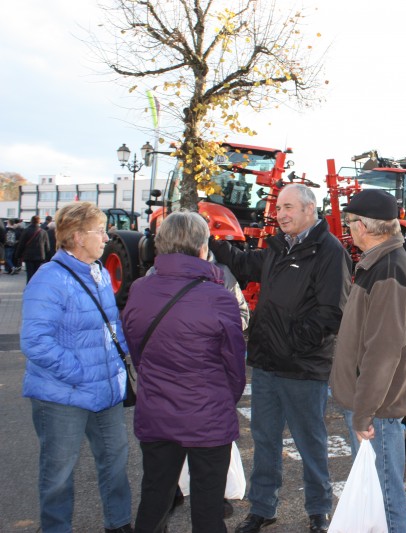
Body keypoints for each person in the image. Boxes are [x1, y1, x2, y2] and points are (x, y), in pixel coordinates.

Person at [210, 183, 351, 533]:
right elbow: (244, 263)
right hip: (268, 364)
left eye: (288, 207)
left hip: (303, 367)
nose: (281, 214)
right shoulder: (278, 247)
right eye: (279, 208)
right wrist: (212, 242)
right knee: (265, 440)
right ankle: (262, 508)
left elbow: (331, 312)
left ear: (309, 209)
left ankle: (319, 510)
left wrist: (291, 344)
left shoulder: (329, 251)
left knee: (310, 442)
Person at [122, 210, 247, 533]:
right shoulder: (218, 297)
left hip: (157, 409)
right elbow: (235, 366)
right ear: (202, 247)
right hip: (208, 413)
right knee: (208, 509)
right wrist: (223, 399)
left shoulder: (139, 289)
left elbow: (136, 349)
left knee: (154, 497)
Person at [20, 202, 132, 533]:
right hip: (63, 393)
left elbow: (112, 324)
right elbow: (35, 341)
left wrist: (121, 356)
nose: (106, 237)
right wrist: (79, 373)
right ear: (78, 236)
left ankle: (119, 523)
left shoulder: (99, 272)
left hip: (105, 390)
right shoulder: (49, 278)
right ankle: (55, 528)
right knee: (58, 472)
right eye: (100, 231)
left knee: (115, 462)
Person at [330, 189, 406, 533]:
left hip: (376, 412)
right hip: (373, 408)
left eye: (350, 222)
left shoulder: (388, 270)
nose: (348, 229)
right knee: (377, 498)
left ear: (364, 226)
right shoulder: (380, 264)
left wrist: (364, 412)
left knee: (384, 500)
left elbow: (382, 353)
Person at [15, 215, 50, 281]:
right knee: (37, 274)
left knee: (29, 274)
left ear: (31, 221)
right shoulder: (43, 232)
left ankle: (29, 286)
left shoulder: (26, 231)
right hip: (40, 256)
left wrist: (18, 255)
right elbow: (47, 246)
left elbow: (21, 244)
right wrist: (47, 257)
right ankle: (36, 286)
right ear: (39, 222)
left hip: (28, 256)